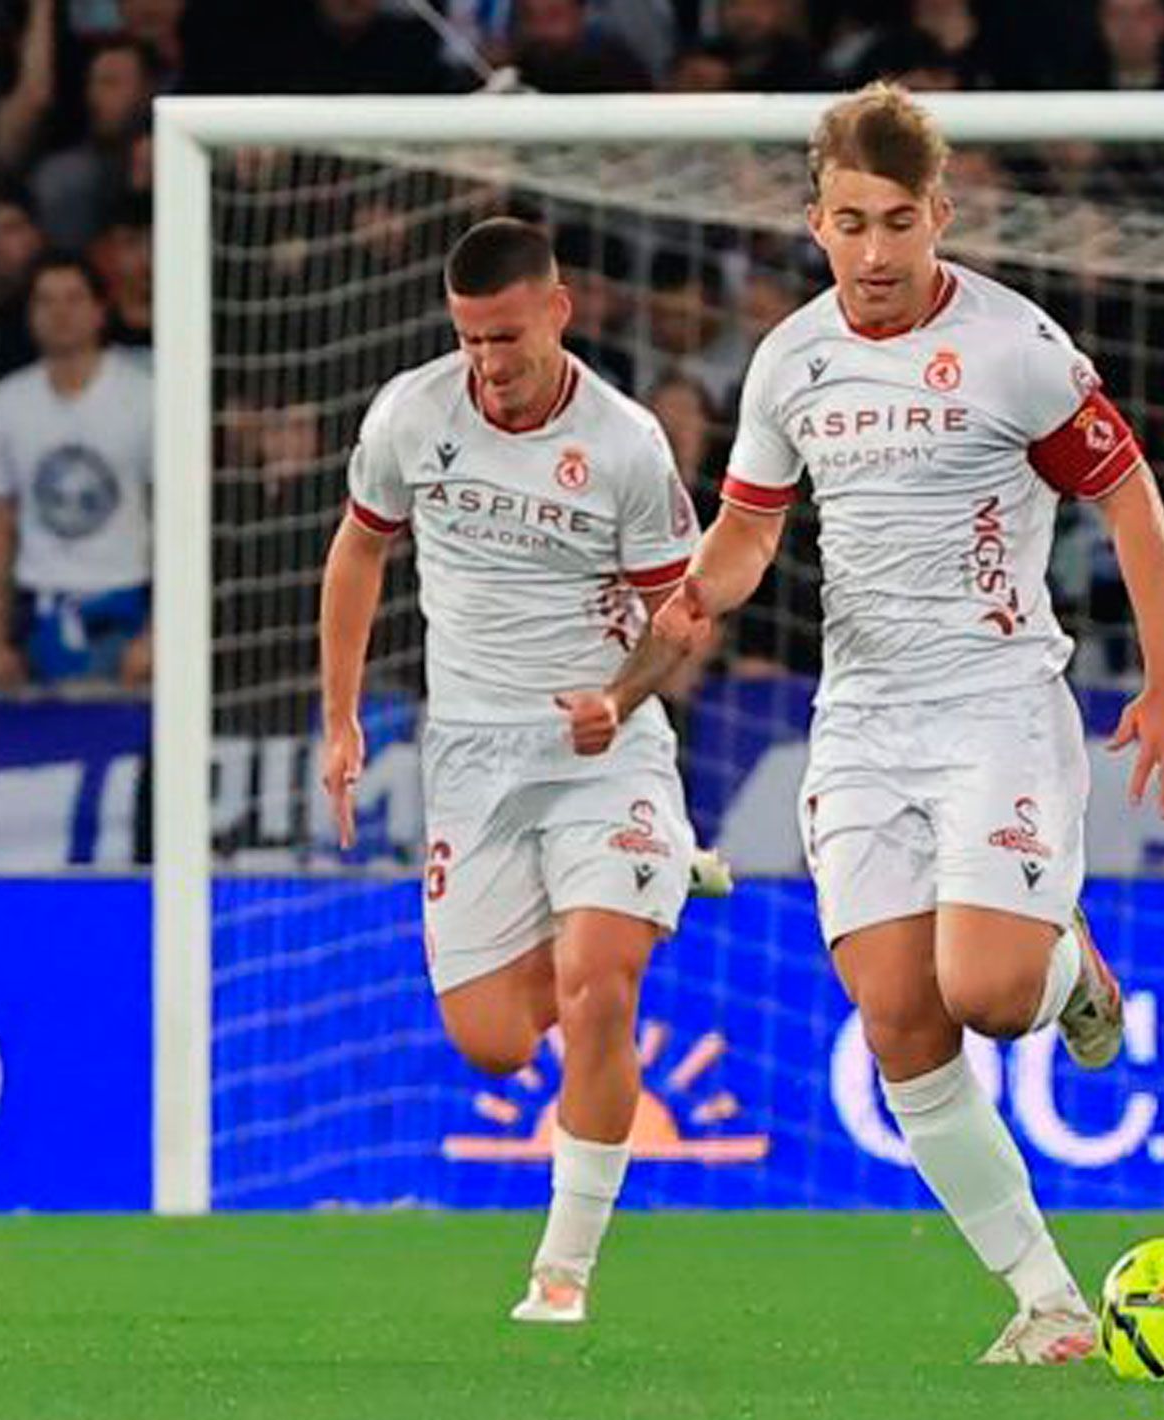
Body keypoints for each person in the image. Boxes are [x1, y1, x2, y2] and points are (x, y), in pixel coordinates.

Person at [582, 84, 1164, 1363]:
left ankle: (1067, 963)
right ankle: (1046, 1301)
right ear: (815, 221)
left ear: (942, 214)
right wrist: (691, 600)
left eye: (898, 223)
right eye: (850, 224)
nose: (874, 254)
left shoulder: (1017, 347)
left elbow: (1132, 498)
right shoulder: (791, 361)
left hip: (996, 700)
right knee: (898, 1025)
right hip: (861, 717)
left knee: (983, 992)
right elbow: (752, 531)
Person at [317, 218, 702, 1325]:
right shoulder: (411, 413)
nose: (489, 362)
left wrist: (620, 698)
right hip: (473, 756)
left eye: (507, 338)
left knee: (597, 988)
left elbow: (683, 612)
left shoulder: (625, 442)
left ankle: (562, 1271)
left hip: (601, 750)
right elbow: (358, 548)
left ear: (559, 311)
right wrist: (339, 717)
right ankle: (666, 871)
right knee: (490, 1041)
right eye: (471, 339)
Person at [0, 255, 153, 688]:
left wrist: (159, 633)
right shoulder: (6, 402)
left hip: (125, 606)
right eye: (45, 301)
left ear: (100, 310)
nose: (60, 313)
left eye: (74, 299)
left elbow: (174, 522)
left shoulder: (145, 398)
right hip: (36, 612)